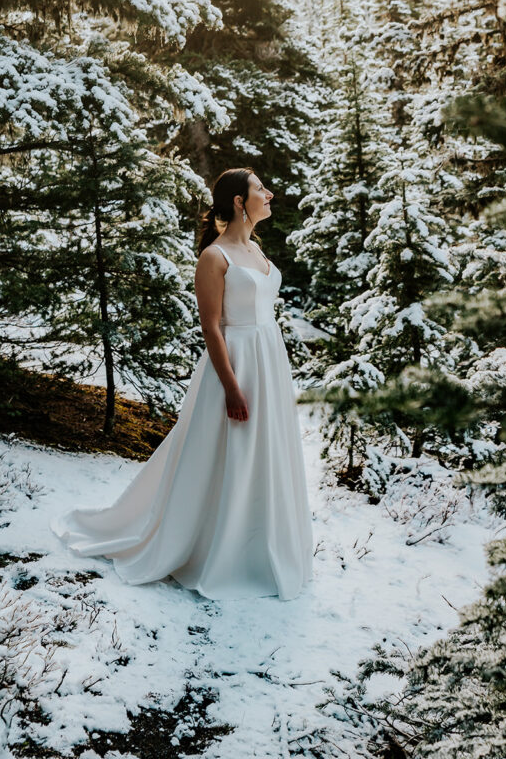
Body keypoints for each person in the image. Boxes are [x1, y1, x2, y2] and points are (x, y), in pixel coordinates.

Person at [50, 167, 314, 601]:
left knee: (264, 452)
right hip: (234, 364)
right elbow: (212, 327)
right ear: (237, 201)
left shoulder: (257, 252)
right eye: (259, 189)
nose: (269, 194)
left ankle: (264, 548)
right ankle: (215, 549)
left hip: (269, 361)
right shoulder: (214, 257)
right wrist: (230, 386)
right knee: (224, 454)